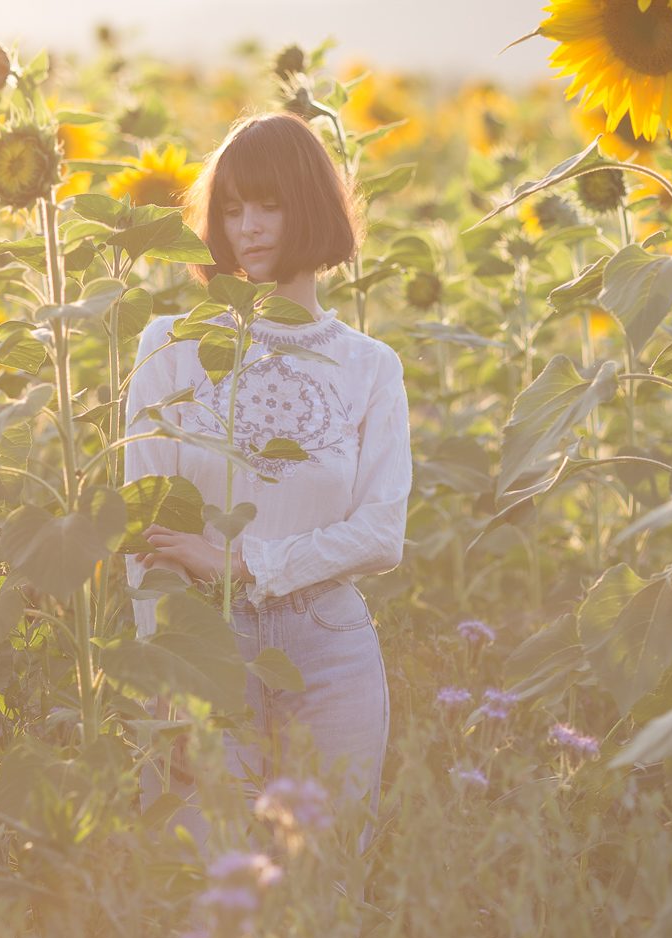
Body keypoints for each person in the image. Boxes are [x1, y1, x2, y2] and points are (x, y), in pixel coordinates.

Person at [124, 111, 413, 855]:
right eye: (230, 207)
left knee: (327, 893)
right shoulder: (174, 345)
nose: (248, 226)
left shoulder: (369, 366)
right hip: (203, 641)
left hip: (331, 649)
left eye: (270, 203)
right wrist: (160, 666)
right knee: (202, 886)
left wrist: (248, 561)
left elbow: (381, 533)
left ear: (309, 206)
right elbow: (144, 527)